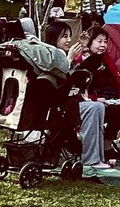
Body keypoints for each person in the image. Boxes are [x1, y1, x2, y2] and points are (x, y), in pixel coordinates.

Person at [44, 22, 110, 169]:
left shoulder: (61, 54)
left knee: (98, 107)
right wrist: (69, 59)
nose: (68, 40)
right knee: (93, 109)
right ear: (54, 39)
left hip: (69, 103)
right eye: (64, 37)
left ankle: (98, 158)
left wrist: (83, 51)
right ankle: (91, 160)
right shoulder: (52, 55)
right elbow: (58, 79)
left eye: (69, 36)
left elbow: (83, 69)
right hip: (57, 108)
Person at [74, 27, 120, 158]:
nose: (103, 45)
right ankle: (107, 145)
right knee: (118, 112)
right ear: (89, 42)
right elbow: (78, 89)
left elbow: (118, 82)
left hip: (110, 100)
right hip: (91, 104)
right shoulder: (80, 60)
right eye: (99, 41)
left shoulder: (106, 59)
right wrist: (96, 99)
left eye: (105, 42)